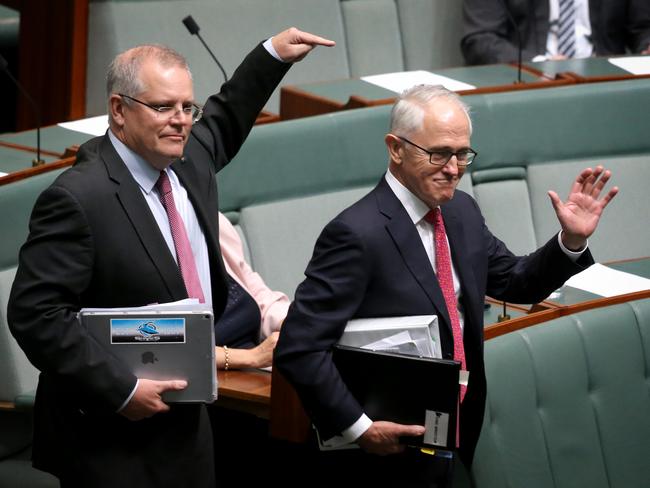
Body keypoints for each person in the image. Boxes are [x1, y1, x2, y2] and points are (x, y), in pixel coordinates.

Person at [7, 28, 333, 488]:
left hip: (187, 421)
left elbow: (225, 117)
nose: (181, 121)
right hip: (111, 437)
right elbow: (35, 316)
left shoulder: (185, 158)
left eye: (186, 107)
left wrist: (272, 55)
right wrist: (120, 390)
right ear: (119, 110)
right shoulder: (79, 199)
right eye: (164, 107)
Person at [273, 84, 618, 487]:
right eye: (439, 154)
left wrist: (570, 242)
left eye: (461, 155)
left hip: (451, 433)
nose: (453, 168)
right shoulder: (356, 234)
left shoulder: (460, 212)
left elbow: (514, 282)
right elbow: (299, 347)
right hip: (378, 459)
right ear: (395, 148)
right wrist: (360, 428)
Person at [461, 0, 650, 65]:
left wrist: (646, 46)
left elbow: (642, 28)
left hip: (605, 82)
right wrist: (539, 66)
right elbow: (480, 40)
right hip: (530, 86)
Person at [214, 212, 290, 369]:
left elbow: (256, 293)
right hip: (216, 378)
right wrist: (252, 357)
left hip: (258, 361)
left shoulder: (212, 217)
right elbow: (163, 344)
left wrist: (293, 323)